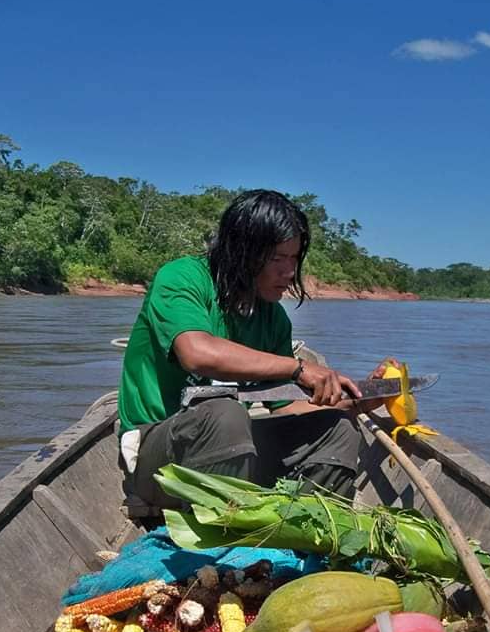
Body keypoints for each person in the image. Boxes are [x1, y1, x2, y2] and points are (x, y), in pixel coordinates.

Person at [118, 189, 392, 508]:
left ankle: (297, 526)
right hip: (158, 460)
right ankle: (221, 533)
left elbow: (285, 407)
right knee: (225, 413)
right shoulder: (182, 278)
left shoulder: (273, 319)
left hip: (229, 451)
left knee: (338, 429)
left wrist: (357, 402)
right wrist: (298, 368)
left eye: (294, 258)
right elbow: (197, 354)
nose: (289, 272)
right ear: (241, 252)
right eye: (277, 259)